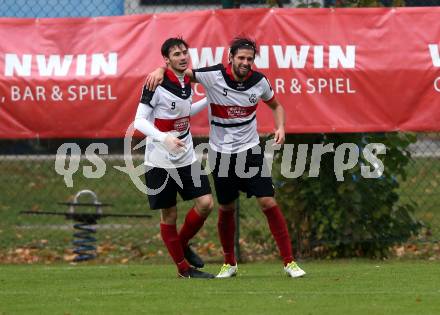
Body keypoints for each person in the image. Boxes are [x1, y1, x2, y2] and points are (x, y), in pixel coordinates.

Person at [146, 37, 306, 278]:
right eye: (240, 58)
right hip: (221, 154)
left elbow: (276, 106)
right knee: (226, 208)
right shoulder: (212, 75)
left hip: (250, 151)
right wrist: (160, 68)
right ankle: (229, 264)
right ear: (230, 58)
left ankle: (289, 262)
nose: (245, 62)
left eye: (249, 59)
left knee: (268, 202)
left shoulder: (259, 81)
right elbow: (179, 69)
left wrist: (280, 127)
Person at [134, 37, 214, 279]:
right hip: (159, 160)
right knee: (169, 215)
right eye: (176, 54)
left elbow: (184, 111)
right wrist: (163, 137)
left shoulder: (186, 81)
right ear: (166, 60)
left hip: (186, 155)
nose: (182, 57)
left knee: (206, 203)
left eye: (184, 53)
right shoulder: (154, 83)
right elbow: (138, 121)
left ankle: (181, 244)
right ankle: (183, 270)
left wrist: (209, 100)